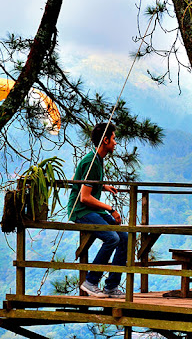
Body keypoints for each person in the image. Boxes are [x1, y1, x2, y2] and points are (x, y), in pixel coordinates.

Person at [67, 122, 126, 298]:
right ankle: (90, 281)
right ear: (105, 140)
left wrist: (102, 186)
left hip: (92, 209)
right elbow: (84, 197)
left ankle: (111, 286)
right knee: (112, 238)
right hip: (81, 210)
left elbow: (77, 178)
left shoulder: (97, 159)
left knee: (125, 237)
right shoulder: (92, 162)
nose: (116, 143)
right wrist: (111, 209)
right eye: (114, 139)